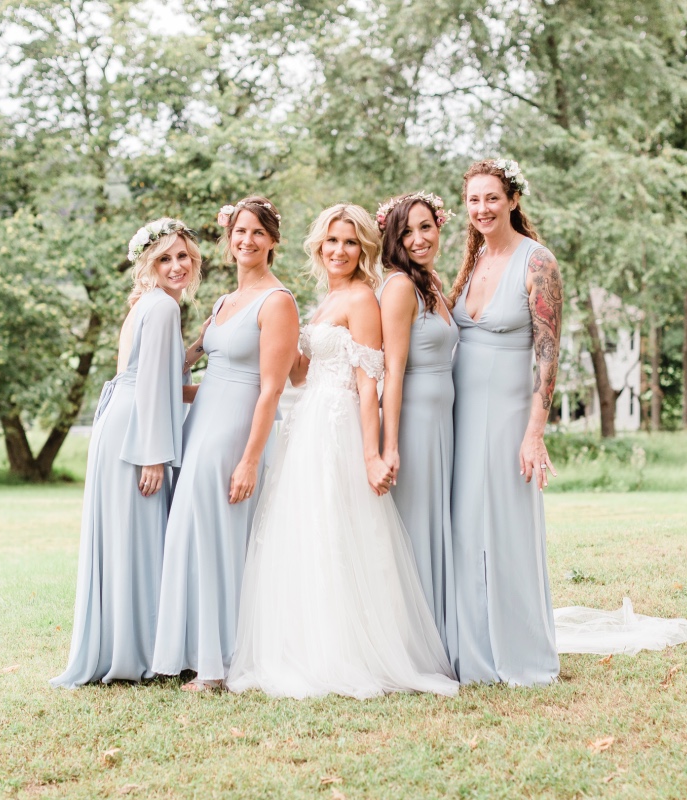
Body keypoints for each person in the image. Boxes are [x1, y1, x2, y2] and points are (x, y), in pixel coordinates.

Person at [227, 203, 458, 699]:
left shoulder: (362, 299)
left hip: (339, 427)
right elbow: (299, 374)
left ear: (364, 250)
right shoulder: (323, 301)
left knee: (338, 535)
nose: (339, 250)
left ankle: (345, 655)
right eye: (332, 241)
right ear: (318, 247)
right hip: (307, 421)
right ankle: (307, 647)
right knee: (306, 535)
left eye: (350, 242)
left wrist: (374, 454)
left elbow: (369, 380)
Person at [152, 197, 299, 692]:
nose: (247, 241)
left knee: (220, 542)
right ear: (228, 237)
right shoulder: (222, 303)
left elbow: (272, 388)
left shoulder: (277, 302)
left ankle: (221, 665)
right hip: (202, 426)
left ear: (273, 241)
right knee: (193, 535)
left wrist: (250, 460)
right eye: (240, 231)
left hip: (237, 434)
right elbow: (203, 374)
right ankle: (195, 651)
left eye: (258, 233)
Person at [51, 219, 201, 689]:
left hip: (121, 423)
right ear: (148, 265)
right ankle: (141, 654)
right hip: (138, 432)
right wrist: (153, 455)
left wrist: (200, 352)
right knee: (139, 540)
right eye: (165, 259)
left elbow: (157, 372)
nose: (176, 266)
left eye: (183, 256)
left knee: (128, 540)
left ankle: (132, 646)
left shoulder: (150, 304)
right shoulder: (160, 308)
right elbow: (155, 387)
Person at [447, 159, 563, 686]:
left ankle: (519, 648)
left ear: (513, 200)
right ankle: (471, 645)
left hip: (508, 413)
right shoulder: (470, 262)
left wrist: (534, 431)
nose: (482, 209)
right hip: (459, 411)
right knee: (465, 526)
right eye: (473, 200)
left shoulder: (536, 262)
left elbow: (548, 352)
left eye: (492, 198)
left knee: (506, 527)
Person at [374, 191, 459, 651]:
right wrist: (391, 446)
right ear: (393, 237)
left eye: (426, 227)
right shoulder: (400, 287)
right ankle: (412, 642)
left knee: (433, 520)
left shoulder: (429, 283)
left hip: (440, 420)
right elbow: (392, 368)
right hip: (415, 422)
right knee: (415, 525)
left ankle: (438, 628)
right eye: (407, 230)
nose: (419, 237)